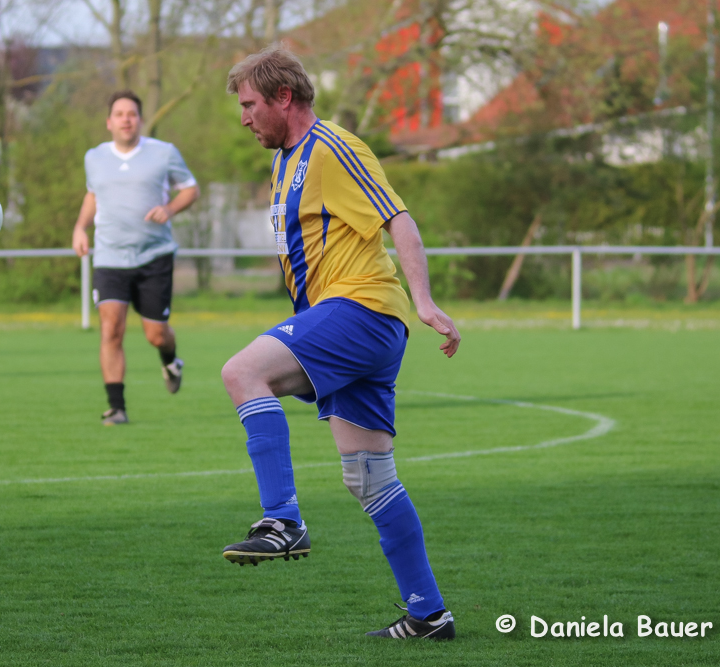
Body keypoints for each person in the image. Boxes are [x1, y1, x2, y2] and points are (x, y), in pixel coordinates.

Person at [220, 47, 463, 641]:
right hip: (352, 320)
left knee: (242, 372)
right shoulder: (285, 162)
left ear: (284, 97)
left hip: (363, 309)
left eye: (250, 105)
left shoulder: (333, 147)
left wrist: (425, 300)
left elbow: (397, 219)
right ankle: (429, 614)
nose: (244, 118)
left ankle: (282, 521)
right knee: (370, 479)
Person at [72, 90, 199, 426]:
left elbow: (191, 189)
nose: (126, 119)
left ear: (140, 120)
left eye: (132, 113)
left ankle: (170, 360)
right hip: (110, 256)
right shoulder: (94, 157)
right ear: (109, 122)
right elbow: (92, 195)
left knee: (156, 334)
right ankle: (117, 407)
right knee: (111, 329)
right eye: (119, 114)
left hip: (154, 256)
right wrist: (80, 227)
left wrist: (170, 208)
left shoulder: (163, 153)